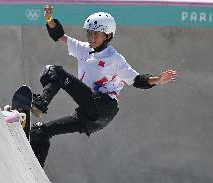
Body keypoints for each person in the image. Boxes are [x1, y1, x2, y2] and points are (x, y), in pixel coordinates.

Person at [29, 5, 177, 167]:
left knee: (55, 71)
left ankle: (41, 104)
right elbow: (59, 36)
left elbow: (137, 80)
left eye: (96, 34)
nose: (91, 38)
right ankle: (33, 173)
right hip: (91, 117)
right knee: (40, 132)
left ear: (108, 36)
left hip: (103, 105)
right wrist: (49, 19)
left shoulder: (115, 58)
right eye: (89, 33)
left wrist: (158, 80)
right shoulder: (83, 49)